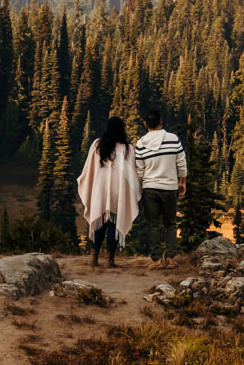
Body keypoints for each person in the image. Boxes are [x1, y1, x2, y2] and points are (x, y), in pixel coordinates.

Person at [76, 115, 139, 267]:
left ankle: (93, 258)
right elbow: (134, 174)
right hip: (119, 192)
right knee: (113, 224)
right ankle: (110, 260)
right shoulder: (128, 149)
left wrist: (87, 184)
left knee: (98, 221)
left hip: (100, 190)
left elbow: (88, 170)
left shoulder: (97, 145)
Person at [133, 109, 187, 257]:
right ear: (161, 122)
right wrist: (182, 182)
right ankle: (170, 257)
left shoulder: (140, 144)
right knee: (170, 223)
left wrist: (140, 189)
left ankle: (156, 257)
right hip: (169, 187)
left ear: (145, 124)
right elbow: (181, 163)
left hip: (149, 188)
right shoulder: (173, 139)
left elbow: (139, 171)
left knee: (153, 224)